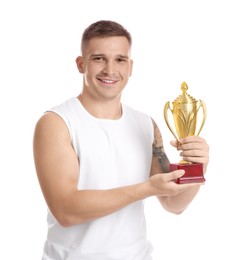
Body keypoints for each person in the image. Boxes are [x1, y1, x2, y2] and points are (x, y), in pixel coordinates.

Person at [33, 20, 209, 260]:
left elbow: (173, 204)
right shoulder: (57, 122)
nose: (110, 70)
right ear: (80, 64)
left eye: (119, 59)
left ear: (130, 67)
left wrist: (197, 167)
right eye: (98, 58)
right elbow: (66, 210)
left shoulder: (146, 125)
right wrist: (145, 189)